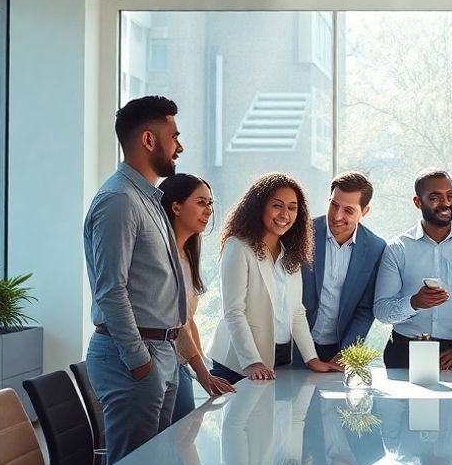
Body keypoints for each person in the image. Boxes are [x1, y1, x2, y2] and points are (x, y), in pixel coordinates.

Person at [83, 95, 188, 465]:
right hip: (134, 354)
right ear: (148, 140)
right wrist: (139, 360)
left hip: (160, 350)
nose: (180, 145)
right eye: (173, 136)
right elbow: (111, 290)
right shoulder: (120, 201)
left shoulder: (148, 199)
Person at [207, 174, 341, 384]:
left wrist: (312, 359)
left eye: (292, 207)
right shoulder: (238, 247)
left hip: (276, 359)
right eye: (277, 205)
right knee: (241, 418)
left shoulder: (290, 254)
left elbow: (296, 311)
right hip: (236, 362)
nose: (284, 214)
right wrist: (252, 362)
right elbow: (233, 311)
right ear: (259, 206)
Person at [373, 169, 452, 369]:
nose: (445, 203)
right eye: (435, 197)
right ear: (418, 202)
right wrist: (414, 303)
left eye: (450, 195)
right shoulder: (397, 248)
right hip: (403, 353)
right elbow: (382, 310)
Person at [158, 173, 235, 423]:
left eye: (210, 204)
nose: (209, 211)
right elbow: (176, 322)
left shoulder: (186, 256)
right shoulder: (160, 256)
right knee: (179, 443)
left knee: (186, 442)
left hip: (178, 365)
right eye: (201, 202)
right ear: (176, 206)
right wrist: (202, 373)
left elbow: (188, 320)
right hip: (160, 363)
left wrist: (202, 367)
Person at [302, 172, 387, 362]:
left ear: (364, 212)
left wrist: (347, 353)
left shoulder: (376, 248)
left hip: (339, 349)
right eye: (333, 205)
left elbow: (365, 309)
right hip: (296, 346)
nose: (337, 216)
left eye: (348, 210)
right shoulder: (302, 234)